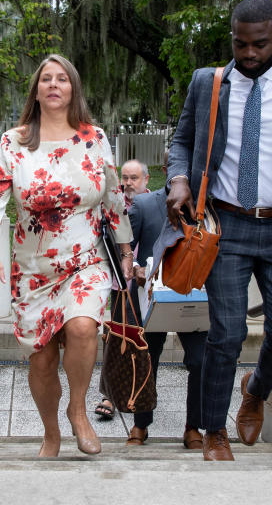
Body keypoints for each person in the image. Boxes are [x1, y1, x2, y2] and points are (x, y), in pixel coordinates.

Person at [157, 0, 272, 461]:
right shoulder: (208, 83)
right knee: (225, 334)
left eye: (259, 44)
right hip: (226, 227)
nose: (249, 53)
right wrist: (178, 180)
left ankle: (255, 390)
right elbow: (181, 139)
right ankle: (214, 431)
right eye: (240, 44)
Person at [0, 53, 134, 458]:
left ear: (73, 88)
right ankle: (51, 432)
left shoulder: (94, 138)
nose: (53, 84)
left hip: (87, 258)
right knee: (42, 360)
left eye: (61, 79)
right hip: (33, 268)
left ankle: (78, 410)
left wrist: (126, 249)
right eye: (46, 78)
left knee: (83, 329)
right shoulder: (15, 141)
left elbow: (114, 197)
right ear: (36, 90)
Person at [125, 153, 207, 449]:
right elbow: (125, 250)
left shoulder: (207, 207)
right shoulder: (145, 205)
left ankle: (193, 427)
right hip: (152, 298)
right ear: (166, 173)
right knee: (147, 360)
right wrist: (136, 270)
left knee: (200, 360)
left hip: (194, 297)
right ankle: (140, 424)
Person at [94, 158, 149, 421]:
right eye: (124, 178)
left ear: (146, 180)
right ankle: (110, 395)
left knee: (146, 343)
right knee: (117, 340)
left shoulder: (155, 205)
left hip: (148, 286)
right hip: (120, 284)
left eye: (133, 178)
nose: (128, 183)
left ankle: (141, 391)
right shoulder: (110, 207)